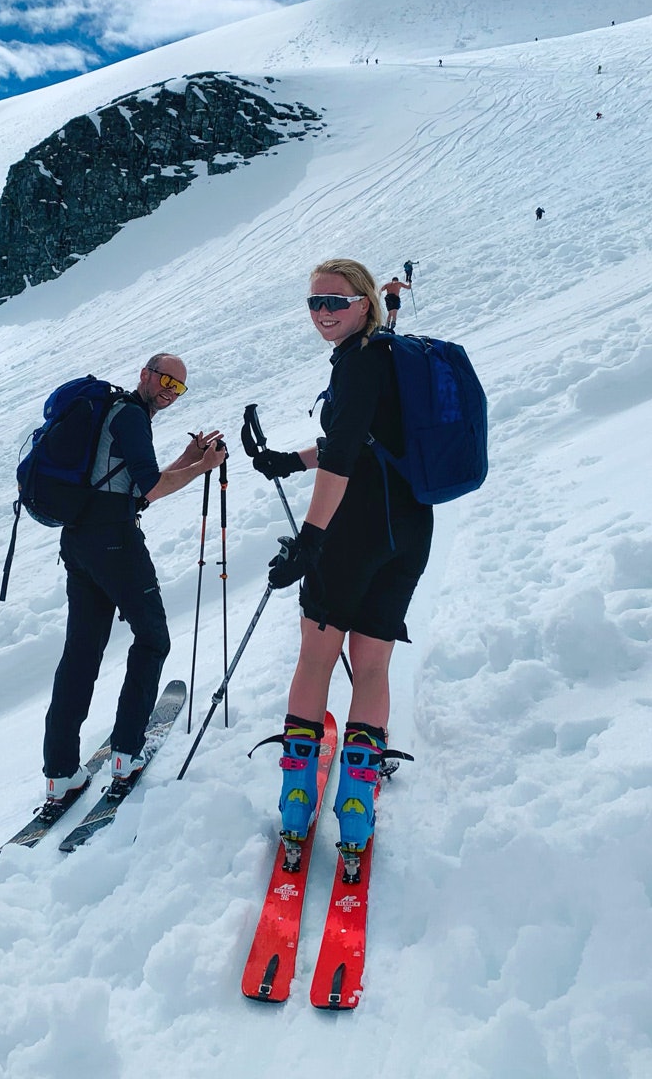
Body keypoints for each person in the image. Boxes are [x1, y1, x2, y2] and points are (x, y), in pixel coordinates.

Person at [252, 259, 433, 874]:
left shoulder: (357, 362)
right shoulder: (391, 356)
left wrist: (310, 540)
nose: (323, 313)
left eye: (335, 301)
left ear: (364, 302)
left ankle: (296, 806)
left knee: (316, 659)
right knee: (374, 665)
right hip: (409, 530)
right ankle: (356, 813)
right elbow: (367, 438)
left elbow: (345, 459)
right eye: (314, 302)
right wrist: (289, 459)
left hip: (354, 531)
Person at [41, 353, 223, 803]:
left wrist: (188, 458)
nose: (169, 391)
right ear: (145, 374)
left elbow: (135, 486)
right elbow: (152, 489)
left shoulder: (115, 412)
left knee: (81, 653)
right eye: (165, 380)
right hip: (115, 544)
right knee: (153, 639)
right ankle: (126, 753)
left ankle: (60, 773)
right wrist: (203, 467)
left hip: (80, 540)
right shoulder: (132, 417)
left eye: (178, 387)